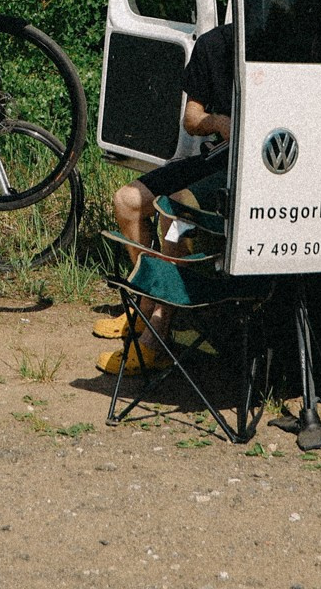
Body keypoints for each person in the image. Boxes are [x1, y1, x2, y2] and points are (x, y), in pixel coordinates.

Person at [97, 20, 234, 376]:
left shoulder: (277, 48)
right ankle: (146, 304)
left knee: (173, 207)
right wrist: (219, 122)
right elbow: (192, 118)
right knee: (127, 201)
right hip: (217, 152)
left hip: (252, 165)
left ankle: (158, 330)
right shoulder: (214, 44)